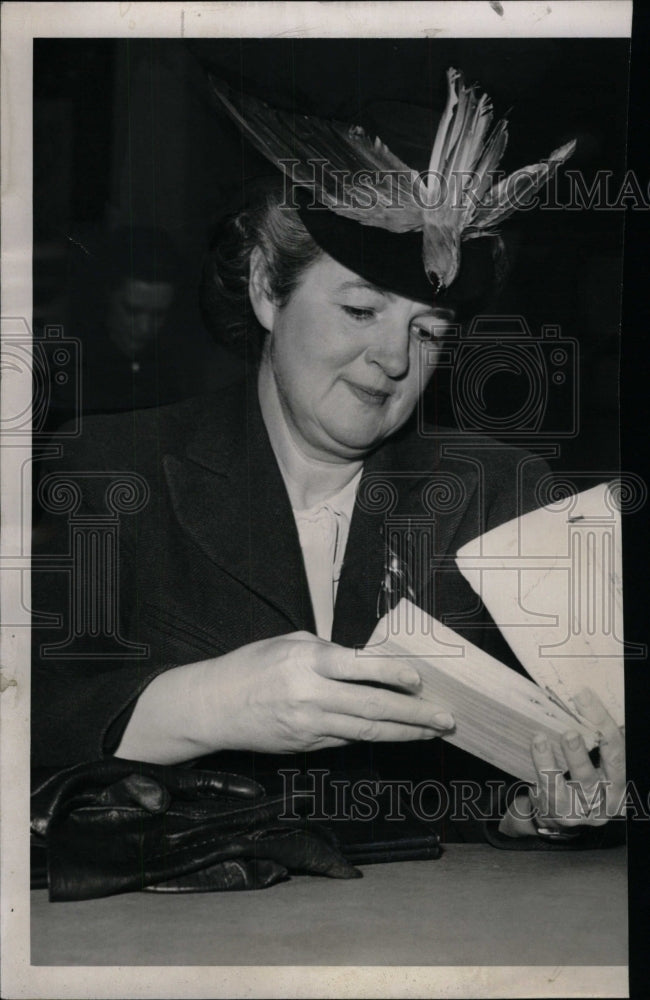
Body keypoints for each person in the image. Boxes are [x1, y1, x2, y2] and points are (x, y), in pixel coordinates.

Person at [32, 73, 624, 850]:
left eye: (428, 331)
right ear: (266, 292)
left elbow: (483, 778)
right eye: (360, 309)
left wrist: (536, 808)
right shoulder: (104, 474)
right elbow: (30, 714)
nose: (392, 358)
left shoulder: (503, 496)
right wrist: (209, 702)